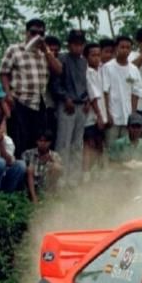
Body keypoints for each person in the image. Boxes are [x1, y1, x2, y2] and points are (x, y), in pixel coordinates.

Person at [0, 18, 59, 156]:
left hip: (39, 103)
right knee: (20, 140)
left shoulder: (45, 52)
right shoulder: (14, 50)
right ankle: (21, 173)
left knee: (37, 140)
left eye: (41, 33)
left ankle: (34, 172)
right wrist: (7, 94)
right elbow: (3, 73)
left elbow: (58, 70)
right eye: (33, 32)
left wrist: (46, 51)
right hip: (20, 100)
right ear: (26, 33)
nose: (37, 36)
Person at [52, 29, 90, 183]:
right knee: (63, 143)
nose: (78, 47)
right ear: (69, 44)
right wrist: (65, 98)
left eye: (81, 44)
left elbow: (85, 84)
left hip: (81, 105)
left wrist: (87, 99)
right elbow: (55, 84)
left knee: (77, 145)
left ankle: (73, 181)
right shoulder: (61, 59)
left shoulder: (83, 62)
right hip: (66, 105)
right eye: (75, 44)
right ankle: (60, 180)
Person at [102, 35, 142, 149]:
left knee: (126, 149)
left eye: (128, 47)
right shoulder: (108, 67)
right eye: (122, 47)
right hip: (113, 117)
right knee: (110, 148)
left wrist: (133, 115)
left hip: (128, 118)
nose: (125, 50)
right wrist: (107, 114)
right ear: (116, 48)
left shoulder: (133, 69)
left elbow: (136, 93)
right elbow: (105, 92)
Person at [82, 42, 106, 179]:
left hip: (101, 113)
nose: (96, 58)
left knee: (99, 143)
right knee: (89, 144)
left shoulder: (100, 70)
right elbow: (93, 96)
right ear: (86, 57)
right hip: (92, 115)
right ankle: (86, 174)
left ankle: (98, 173)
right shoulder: (88, 72)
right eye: (93, 55)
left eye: (98, 55)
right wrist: (99, 115)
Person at [22, 131, 62, 203]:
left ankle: (49, 197)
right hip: (31, 184)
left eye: (46, 141)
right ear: (36, 141)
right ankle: (34, 198)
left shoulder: (55, 155)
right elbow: (23, 170)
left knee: (57, 167)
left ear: (50, 143)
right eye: (40, 141)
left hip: (47, 184)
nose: (43, 143)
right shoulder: (28, 153)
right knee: (29, 169)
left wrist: (52, 160)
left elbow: (61, 171)